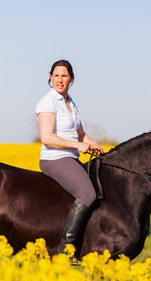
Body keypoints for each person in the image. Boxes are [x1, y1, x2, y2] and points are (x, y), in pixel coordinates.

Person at [35, 59, 103, 264]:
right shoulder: (48, 102)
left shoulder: (70, 102)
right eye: (56, 75)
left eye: (64, 76)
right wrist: (76, 146)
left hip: (70, 158)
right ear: (50, 78)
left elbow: (80, 134)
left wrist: (92, 144)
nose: (60, 80)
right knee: (87, 193)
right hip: (54, 158)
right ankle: (65, 249)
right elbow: (46, 138)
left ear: (71, 79)